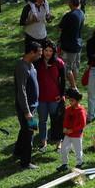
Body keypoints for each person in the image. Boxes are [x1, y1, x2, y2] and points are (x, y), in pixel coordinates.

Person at [14, 41, 43, 170]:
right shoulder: (22, 67)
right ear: (31, 53)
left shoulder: (31, 65)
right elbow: (22, 91)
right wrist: (27, 111)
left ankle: (17, 152)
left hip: (33, 106)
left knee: (25, 130)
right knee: (30, 132)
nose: (40, 56)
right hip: (28, 108)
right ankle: (26, 161)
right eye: (38, 54)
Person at [35, 40, 66, 153]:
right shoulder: (37, 63)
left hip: (55, 97)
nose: (48, 53)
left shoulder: (59, 63)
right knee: (42, 121)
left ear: (54, 52)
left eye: (50, 51)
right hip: (41, 98)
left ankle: (58, 144)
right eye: (46, 50)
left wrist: (62, 95)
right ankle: (44, 143)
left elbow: (63, 80)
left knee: (56, 121)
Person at [57, 0, 85, 89]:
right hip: (78, 45)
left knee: (66, 67)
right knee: (75, 67)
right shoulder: (81, 13)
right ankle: (73, 86)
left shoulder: (69, 15)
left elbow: (59, 28)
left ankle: (73, 87)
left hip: (68, 46)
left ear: (71, 3)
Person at [57, 87, 87, 171]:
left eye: (72, 100)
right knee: (64, 149)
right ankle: (64, 164)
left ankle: (79, 163)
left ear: (78, 101)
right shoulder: (69, 109)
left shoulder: (81, 111)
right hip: (68, 134)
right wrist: (64, 128)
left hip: (77, 135)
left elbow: (82, 124)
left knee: (78, 150)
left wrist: (72, 130)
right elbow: (66, 119)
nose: (70, 102)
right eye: (69, 100)